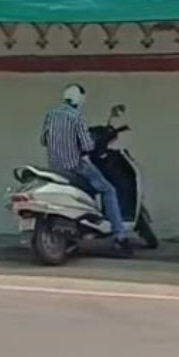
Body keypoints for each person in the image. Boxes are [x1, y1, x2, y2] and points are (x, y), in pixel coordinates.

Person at [41, 84, 132, 256]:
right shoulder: (77, 117)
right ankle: (120, 235)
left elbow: (43, 141)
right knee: (109, 190)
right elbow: (87, 145)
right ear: (79, 99)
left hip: (55, 167)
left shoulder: (50, 115)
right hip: (75, 166)